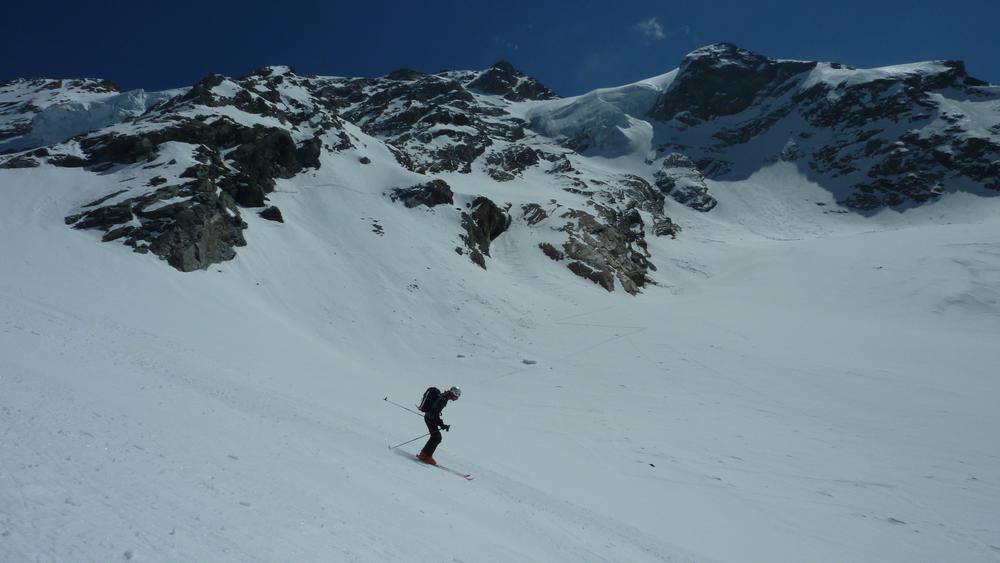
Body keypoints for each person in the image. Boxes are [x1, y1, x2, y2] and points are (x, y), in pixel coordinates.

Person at [418, 386, 461, 465]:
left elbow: (435, 412)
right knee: (436, 437)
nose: (456, 398)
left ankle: (424, 454)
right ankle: (426, 456)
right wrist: (442, 425)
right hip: (430, 418)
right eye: (457, 396)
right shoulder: (443, 399)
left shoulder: (443, 397)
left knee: (436, 437)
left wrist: (441, 424)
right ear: (453, 394)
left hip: (430, 417)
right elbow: (435, 413)